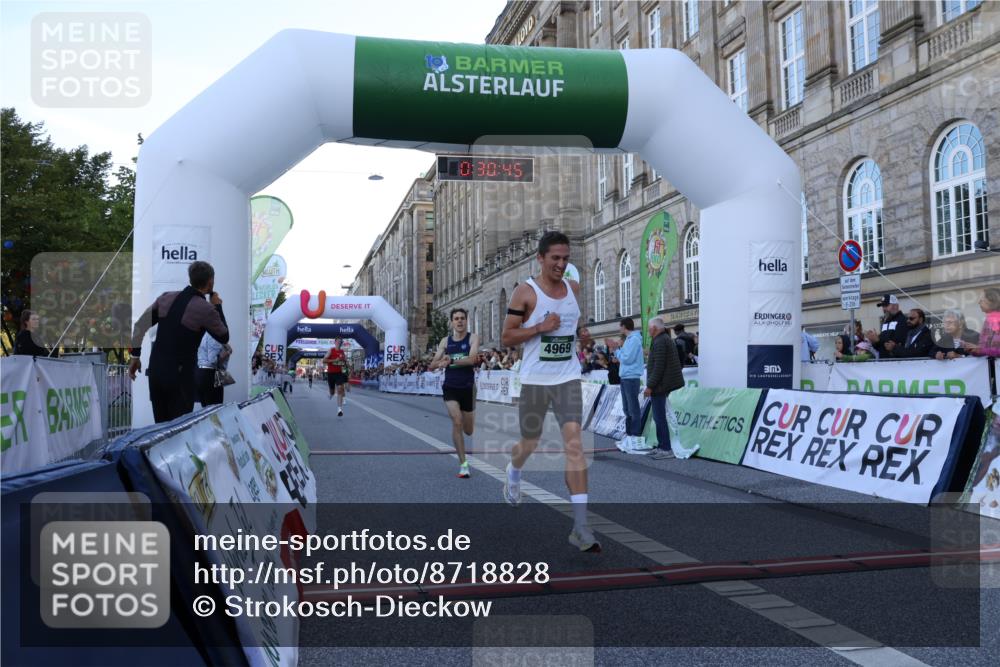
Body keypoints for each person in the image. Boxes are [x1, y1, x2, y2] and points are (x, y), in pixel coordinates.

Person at [500, 230, 599, 552]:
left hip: (567, 378)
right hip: (535, 381)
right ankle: (514, 472)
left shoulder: (573, 288)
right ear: (540, 258)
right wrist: (540, 327)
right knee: (530, 442)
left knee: (575, 445)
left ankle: (581, 527)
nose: (561, 264)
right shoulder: (524, 293)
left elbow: (572, 328)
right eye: (555, 258)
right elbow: (507, 337)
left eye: (565, 258)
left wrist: (581, 337)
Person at [129, 261, 229, 423]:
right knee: (178, 432)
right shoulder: (206, 309)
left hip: (156, 373)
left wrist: (135, 356)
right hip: (180, 378)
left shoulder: (165, 298)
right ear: (210, 281)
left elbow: (139, 325)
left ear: (191, 279)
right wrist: (217, 306)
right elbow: (224, 336)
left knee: (160, 429)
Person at [430, 308, 480, 478]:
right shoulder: (445, 341)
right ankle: (463, 464)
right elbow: (432, 365)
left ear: (466, 321)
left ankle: (464, 460)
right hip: (450, 387)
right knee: (457, 422)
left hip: (468, 387)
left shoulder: (473, 338)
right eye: (456, 319)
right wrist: (440, 363)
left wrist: (451, 360)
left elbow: (472, 359)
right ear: (451, 322)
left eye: (462, 318)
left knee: (469, 430)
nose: (459, 321)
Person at [644, 318, 698, 460]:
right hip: (662, 383)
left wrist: (650, 386)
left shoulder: (661, 341)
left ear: (655, 328)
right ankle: (662, 446)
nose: (648, 330)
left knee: (659, 416)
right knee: (659, 416)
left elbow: (659, 367)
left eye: (649, 327)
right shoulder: (662, 339)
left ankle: (665, 448)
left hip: (660, 385)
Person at [614, 317, 646, 451]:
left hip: (631, 377)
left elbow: (627, 359)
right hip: (626, 376)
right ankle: (629, 434)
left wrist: (616, 350)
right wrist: (617, 350)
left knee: (633, 408)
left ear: (624, 326)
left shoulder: (634, 340)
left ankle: (635, 435)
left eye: (620, 326)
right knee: (627, 408)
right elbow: (626, 357)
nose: (619, 328)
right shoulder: (629, 340)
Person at [963, 288, 1000, 357]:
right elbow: (983, 348)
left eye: (981, 300)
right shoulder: (988, 321)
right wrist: (973, 350)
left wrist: (980, 350)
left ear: (992, 301)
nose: (979, 302)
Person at [195, 334, 231, 406]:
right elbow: (212, 360)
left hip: (201, 373)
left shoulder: (204, 335)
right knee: (215, 409)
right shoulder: (214, 336)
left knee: (207, 408)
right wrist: (227, 353)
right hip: (210, 374)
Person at [323, 341, 349, 415]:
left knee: (340, 389)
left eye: (340, 342)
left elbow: (345, 361)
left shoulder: (342, 352)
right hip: (331, 374)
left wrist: (345, 362)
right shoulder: (331, 350)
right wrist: (334, 360)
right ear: (335, 343)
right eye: (338, 342)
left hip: (339, 373)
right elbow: (324, 360)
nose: (339, 343)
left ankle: (339, 410)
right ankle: (331, 394)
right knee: (332, 392)